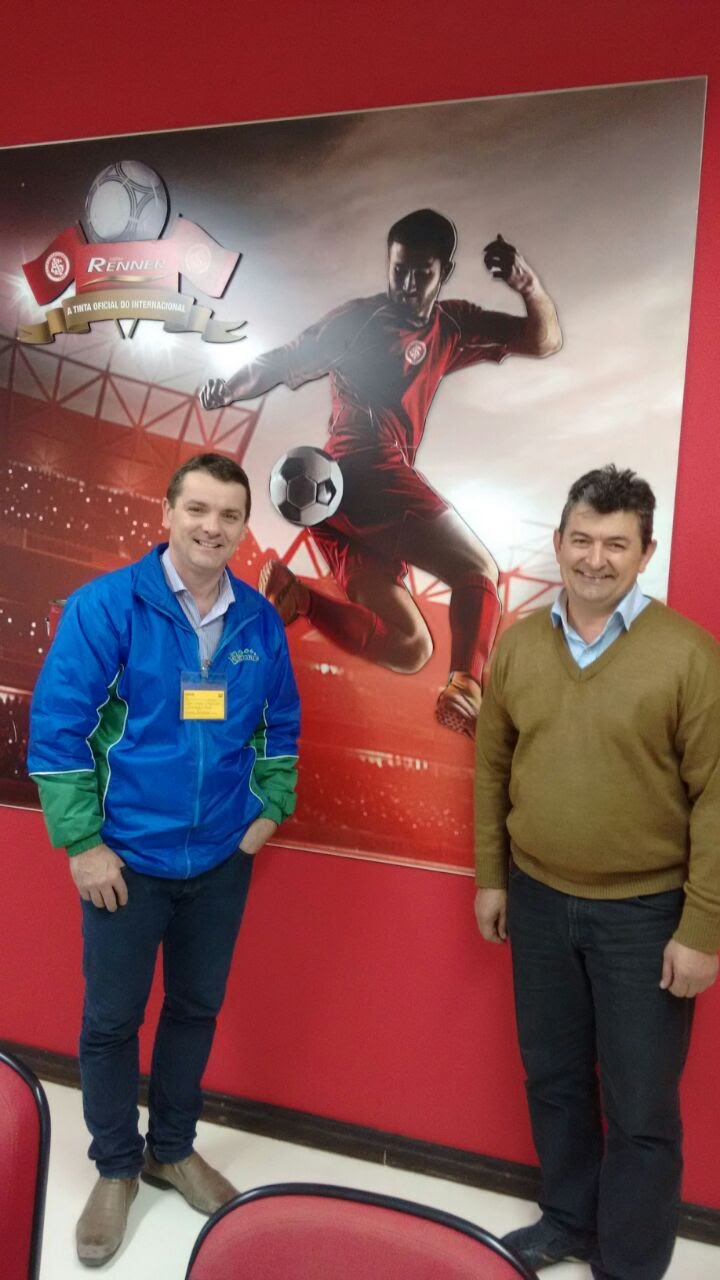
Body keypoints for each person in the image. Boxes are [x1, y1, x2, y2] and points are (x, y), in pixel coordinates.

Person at [28, 453, 300, 1267]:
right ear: (169, 512)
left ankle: (171, 1148)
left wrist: (268, 813)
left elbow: (279, 728)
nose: (212, 527)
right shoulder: (107, 606)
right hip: (126, 863)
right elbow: (58, 731)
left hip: (220, 860)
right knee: (112, 1022)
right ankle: (115, 1165)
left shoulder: (258, 621)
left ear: (244, 527)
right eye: (198, 510)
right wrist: (81, 843)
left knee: (195, 1008)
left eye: (228, 515)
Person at [473, 465, 720, 1279]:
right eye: (581, 538)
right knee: (552, 1079)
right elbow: (492, 767)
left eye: (616, 543)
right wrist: (492, 877)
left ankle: (630, 1262)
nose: (594, 558)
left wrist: (703, 927)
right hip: (539, 901)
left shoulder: (687, 656)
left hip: (645, 916)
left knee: (642, 1110)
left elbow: (718, 797)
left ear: (644, 553)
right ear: (558, 542)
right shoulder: (517, 645)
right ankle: (569, 1220)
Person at [201, 209, 561, 737]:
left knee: (410, 646)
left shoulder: (453, 325)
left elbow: (543, 340)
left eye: (422, 274)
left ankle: (298, 600)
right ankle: (467, 685)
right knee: (478, 570)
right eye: (399, 271)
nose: (408, 285)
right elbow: (283, 359)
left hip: (330, 506)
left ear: (445, 271)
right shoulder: (359, 321)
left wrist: (526, 284)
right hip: (362, 465)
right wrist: (229, 387)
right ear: (388, 265)